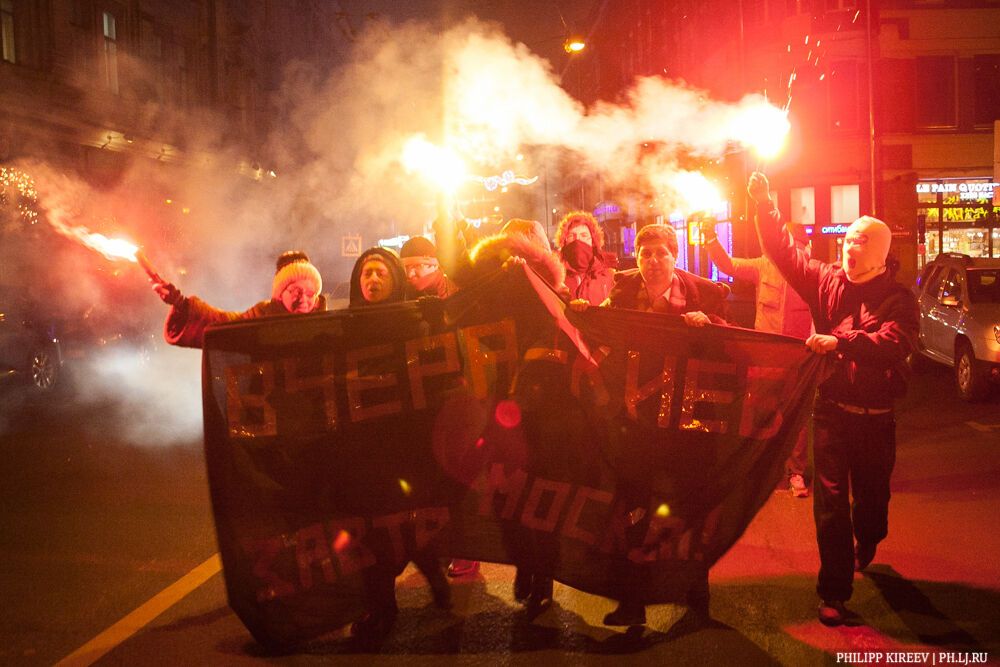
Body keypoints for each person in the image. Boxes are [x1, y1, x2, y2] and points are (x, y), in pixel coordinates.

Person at [749, 171, 919, 627]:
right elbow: (785, 254)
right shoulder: (825, 280)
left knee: (871, 504)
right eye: (847, 236)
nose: (850, 243)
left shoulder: (900, 300)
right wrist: (765, 205)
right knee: (829, 503)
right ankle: (833, 591)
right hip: (830, 414)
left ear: (880, 252)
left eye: (861, 239)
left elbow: (894, 343)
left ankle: (869, 538)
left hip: (877, 420)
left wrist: (840, 343)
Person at [572, 223, 729, 627]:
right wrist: (584, 314)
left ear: (675, 256)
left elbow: (731, 348)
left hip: (687, 423)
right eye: (645, 254)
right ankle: (633, 599)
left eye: (661, 253)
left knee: (688, 507)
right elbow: (602, 330)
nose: (653, 261)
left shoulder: (707, 295)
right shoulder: (622, 293)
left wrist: (708, 323)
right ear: (636, 259)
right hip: (638, 422)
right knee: (633, 510)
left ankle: (695, 589)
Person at [345, 245, 451, 643]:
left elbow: (440, 364)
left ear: (395, 282)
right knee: (372, 529)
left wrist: (434, 322)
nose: (372, 280)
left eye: (380, 274)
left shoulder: (414, 323)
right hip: (364, 449)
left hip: (406, 445)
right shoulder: (346, 328)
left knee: (405, 524)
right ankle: (382, 609)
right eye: (366, 274)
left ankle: (431, 571)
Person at [701, 216, 814, 498]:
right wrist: (710, 238)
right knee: (759, 413)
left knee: (795, 418)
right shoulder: (764, 266)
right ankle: (762, 469)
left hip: (798, 355)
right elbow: (728, 265)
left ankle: (795, 472)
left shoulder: (810, 271)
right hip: (765, 355)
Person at [152, 250, 325, 348]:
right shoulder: (261, 316)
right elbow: (220, 326)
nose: (303, 298)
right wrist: (180, 303)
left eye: (310, 293)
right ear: (279, 293)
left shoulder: (329, 326)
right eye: (295, 290)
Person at [555, 211, 615, 306]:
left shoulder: (609, 277)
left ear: (593, 241)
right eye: (571, 236)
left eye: (584, 235)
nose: (578, 240)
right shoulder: (555, 278)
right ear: (564, 241)